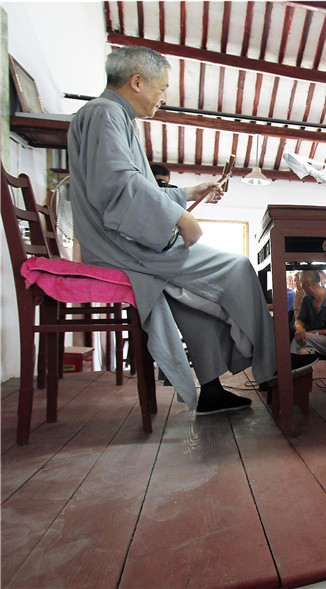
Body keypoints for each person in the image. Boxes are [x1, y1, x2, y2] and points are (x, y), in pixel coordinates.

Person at [67, 46, 276, 415]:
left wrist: (186, 194)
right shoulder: (105, 113)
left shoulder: (108, 114)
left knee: (190, 298)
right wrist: (179, 218)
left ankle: (210, 391)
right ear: (137, 82)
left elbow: (131, 185)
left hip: (116, 242)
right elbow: (117, 184)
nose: (163, 98)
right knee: (238, 267)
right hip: (122, 248)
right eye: (161, 88)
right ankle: (274, 368)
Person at [292, 270, 326, 356]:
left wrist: (315, 333)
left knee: (301, 339)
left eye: (301, 283)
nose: (300, 286)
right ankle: (305, 364)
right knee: (303, 350)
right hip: (312, 340)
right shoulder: (306, 299)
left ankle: (289, 365)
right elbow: (300, 320)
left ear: (307, 284)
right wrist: (298, 327)